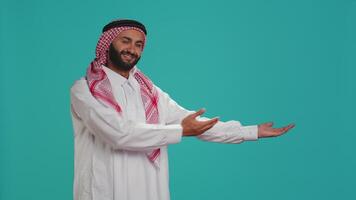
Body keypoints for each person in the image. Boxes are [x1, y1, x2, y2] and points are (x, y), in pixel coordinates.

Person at [69, 19, 295, 200]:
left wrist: (251, 131)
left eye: (139, 45)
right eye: (125, 41)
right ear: (108, 44)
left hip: (149, 189)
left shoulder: (149, 92)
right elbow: (118, 133)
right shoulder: (85, 89)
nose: (132, 49)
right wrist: (179, 130)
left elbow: (194, 124)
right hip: (107, 190)